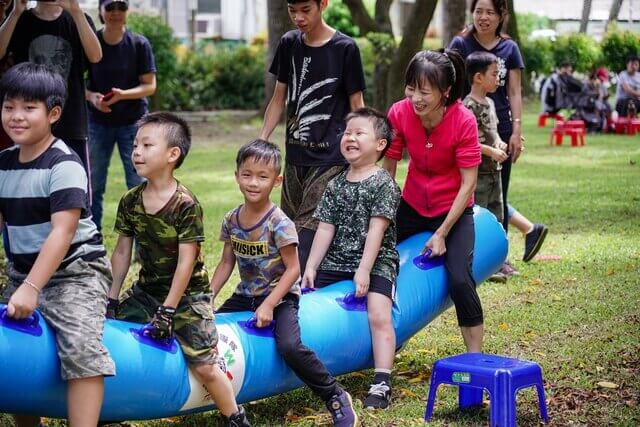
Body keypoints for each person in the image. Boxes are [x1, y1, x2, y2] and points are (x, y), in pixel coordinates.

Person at [107, 112, 250, 426]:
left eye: (146, 145)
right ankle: (108, 409)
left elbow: (187, 262)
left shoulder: (185, 203)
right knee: (108, 336)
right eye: (134, 145)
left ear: (173, 155)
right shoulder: (130, 201)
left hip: (187, 297)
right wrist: (112, 299)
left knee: (204, 366)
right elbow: (121, 252)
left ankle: (235, 417)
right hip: (148, 291)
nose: (136, 152)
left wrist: (169, 310)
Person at [211, 139, 358, 427]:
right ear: (237, 175)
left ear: (276, 181)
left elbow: (293, 270)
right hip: (246, 295)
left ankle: (334, 395)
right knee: (208, 331)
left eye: (262, 176)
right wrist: (209, 298)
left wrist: (268, 304)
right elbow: (226, 263)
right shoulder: (231, 219)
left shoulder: (279, 222)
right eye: (247, 174)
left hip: (281, 297)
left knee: (289, 346)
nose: (253, 183)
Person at [0, 62, 114, 427]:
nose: (16, 116)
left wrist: (32, 288)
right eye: (9, 106)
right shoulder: (2, 164)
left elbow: (61, 233)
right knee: (15, 348)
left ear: (53, 113)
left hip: (76, 272)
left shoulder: (64, 164)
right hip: (23, 269)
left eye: (28, 108)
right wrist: (24, 283)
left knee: (80, 346)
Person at [383, 49, 484, 353]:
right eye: (411, 88)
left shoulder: (464, 121)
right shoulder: (399, 113)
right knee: (377, 262)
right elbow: (389, 166)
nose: (415, 98)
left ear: (445, 92)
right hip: (412, 204)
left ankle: (475, 358)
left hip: (453, 209)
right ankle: (385, 339)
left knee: (459, 280)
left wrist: (442, 233)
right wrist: (384, 216)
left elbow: (469, 184)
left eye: (424, 91)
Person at [302, 108, 401, 410]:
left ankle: (382, 380)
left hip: (376, 259)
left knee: (378, 314)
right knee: (303, 303)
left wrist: (364, 271)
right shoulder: (335, 183)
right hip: (337, 259)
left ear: (380, 144)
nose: (351, 138)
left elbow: (377, 229)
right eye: (347, 133)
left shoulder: (384, 182)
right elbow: (324, 229)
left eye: (360, 133)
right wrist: (311, 267)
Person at [258, 0, 366, 273]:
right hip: (295, 155)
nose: (298, 17)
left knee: (305, 237)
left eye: (305, 10)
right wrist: (262, 139)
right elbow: (278, 97)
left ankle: (294, 302)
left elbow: (357, 104)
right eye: (292, 10)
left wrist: (363, 148)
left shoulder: (345, 48)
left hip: (330, 157)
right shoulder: (289, 43)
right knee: (287, 234)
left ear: (323, 4)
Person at [449, 0, 548, 277]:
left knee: (499, 193)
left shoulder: (509, 48)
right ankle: (474, 255)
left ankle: (498, 259)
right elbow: (449, 81)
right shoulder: (460, 43)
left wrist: (515, 131)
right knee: (471, 192)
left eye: (490, 12)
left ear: (502, 15)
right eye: (478, 11)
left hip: (500, 129)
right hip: (467, 129)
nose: (483, 17)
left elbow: (515, 92)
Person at [0, 0, 102, 174]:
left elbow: (95, 56)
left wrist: (76, 11)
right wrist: (16, 11)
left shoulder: (78, 19)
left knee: (74, 184)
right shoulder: (20, 19)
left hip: (71, 123)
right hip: (29, 122)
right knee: (29, 186)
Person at [85, 0, 156, 230]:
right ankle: (92, 240)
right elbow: (77, 82)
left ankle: (142, 245)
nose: (116, 12)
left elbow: (149, 86)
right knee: (93, 185)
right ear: (100, 11)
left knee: (138, 182)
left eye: (121, 7)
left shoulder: (138, 43)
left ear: (127, 11)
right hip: (97, 123)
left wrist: (123, 94)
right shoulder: (90, 42)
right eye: (110, 7)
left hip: (133, 124)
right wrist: (92, 97)